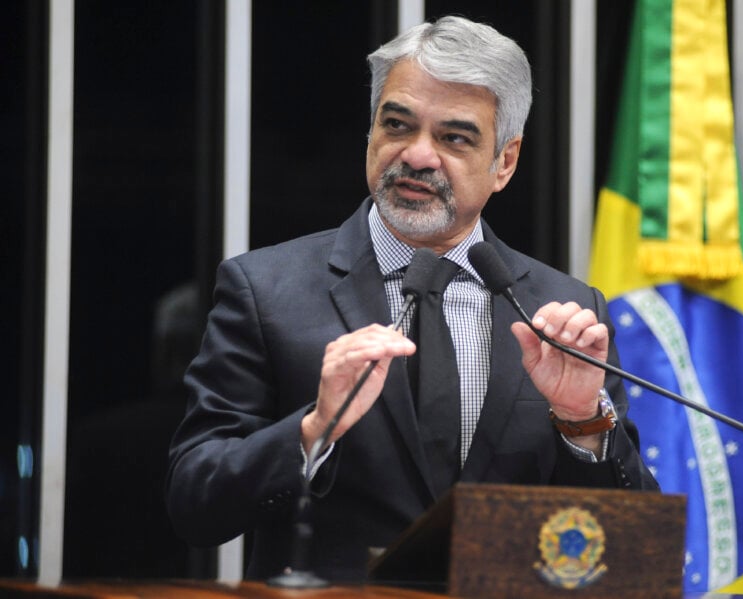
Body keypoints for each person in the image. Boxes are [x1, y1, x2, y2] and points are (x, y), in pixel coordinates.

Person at [166, 15, 658, 582]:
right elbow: (192, 501)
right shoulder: (266, 290)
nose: (418, 155)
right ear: (371, 133)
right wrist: (313, 429)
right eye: (397, 125)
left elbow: (629, 536)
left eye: (454, 137)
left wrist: (580, 423)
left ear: (505, 161)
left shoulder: (565, 309)